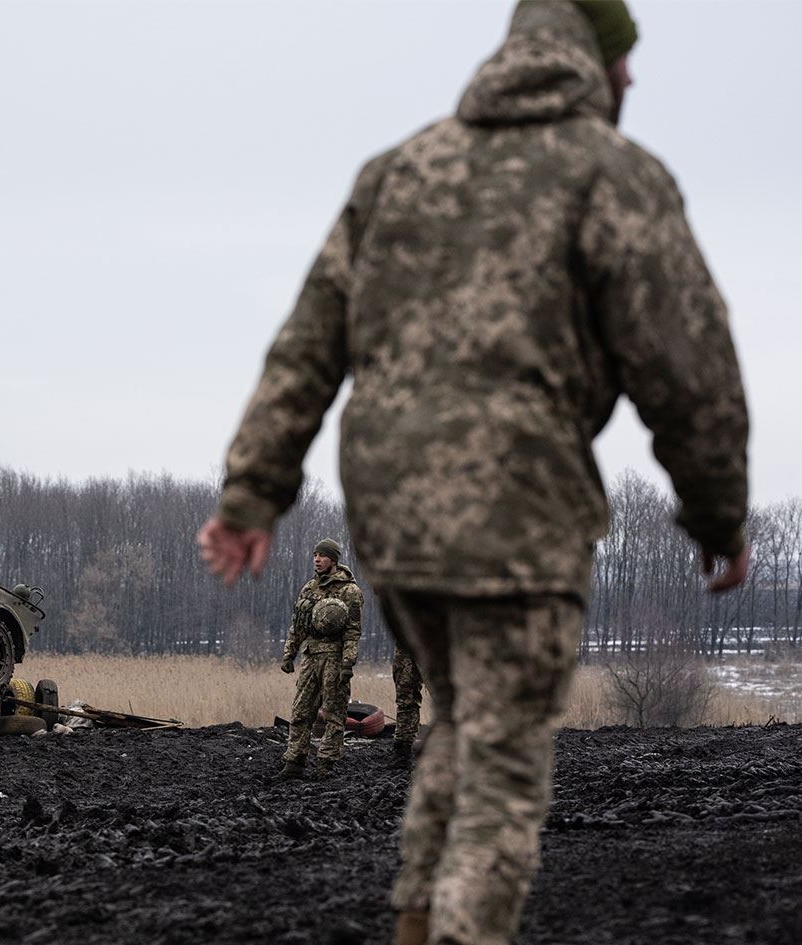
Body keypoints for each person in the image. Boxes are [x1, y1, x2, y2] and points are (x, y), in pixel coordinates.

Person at [196, 3, 750, 943]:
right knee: (505, 763)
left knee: (463, 721)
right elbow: (688, 367)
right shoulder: (613, 174)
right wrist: (719, 516)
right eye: (625, 58)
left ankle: (418, 921)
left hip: (394, 518)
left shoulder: (401, 170)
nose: (632, 79)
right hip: (515, 514)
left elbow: (307, 343)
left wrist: (253, 491)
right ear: (593, 59)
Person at [278, 538, 362, 781]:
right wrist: (289, 653)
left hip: (334, 658)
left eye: (322, 555)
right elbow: (298, 625)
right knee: (301, 710)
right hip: (311, 656)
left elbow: (353, 631)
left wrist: (347, 663)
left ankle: (326, 763)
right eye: (315, 554)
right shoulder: (309, 588)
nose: (317, 559)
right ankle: (294, 761)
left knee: (334, 713)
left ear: (333, 560)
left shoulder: (350, 591)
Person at [391, 645, 422, 766]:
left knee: (447, 698)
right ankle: (402, 750)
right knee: (405, 699)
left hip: (436, 644)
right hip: (405, 648)